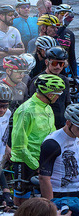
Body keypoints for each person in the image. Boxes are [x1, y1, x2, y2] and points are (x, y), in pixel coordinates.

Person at [11, 74, 67, 205]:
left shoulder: (47, 107)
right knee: (21, 202)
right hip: (24, 161)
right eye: (56, 93)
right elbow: (19, 146)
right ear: (48, 93)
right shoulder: (26, 110)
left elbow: (52, 136)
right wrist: (37, 166)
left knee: (42, 200)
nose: (59, 96)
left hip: (42, 160)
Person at [0, 5, 26, 84]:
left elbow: (22, 50)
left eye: (13, 15)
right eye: (10, 15)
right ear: (1, 16)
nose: (13, 17)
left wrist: (7, 49)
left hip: (11, 66)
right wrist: (14, 51)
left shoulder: (15, 31)